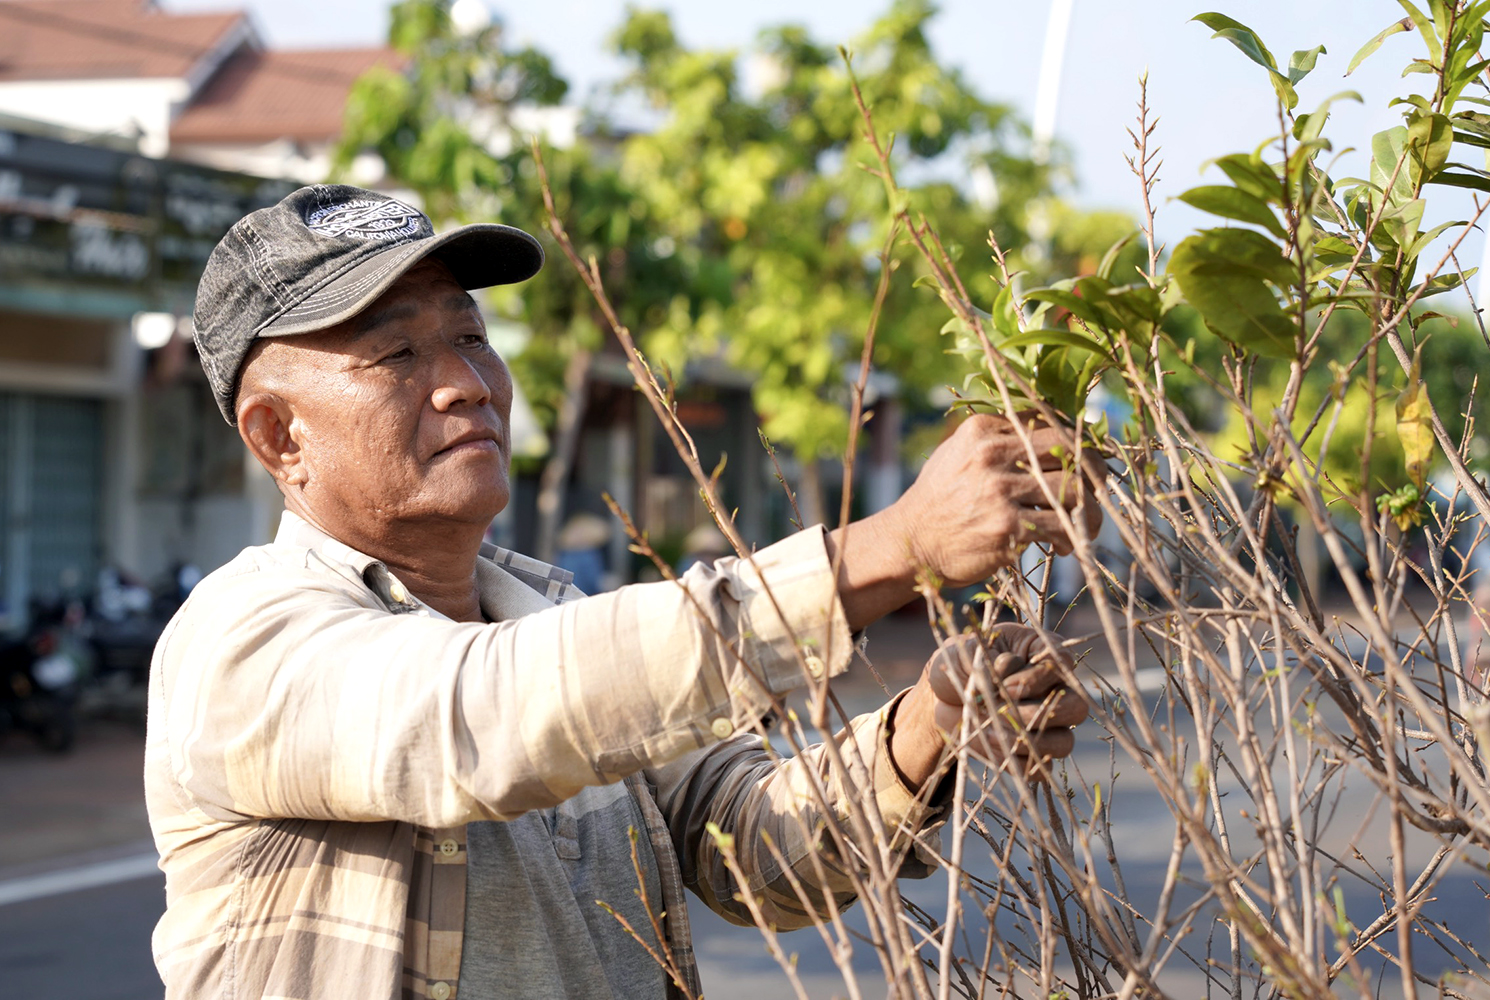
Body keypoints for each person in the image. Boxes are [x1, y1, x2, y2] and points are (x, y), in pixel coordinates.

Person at [145, 184, 1102, 1000]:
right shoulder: (240, 643)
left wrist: (927, 731)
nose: (466, 384)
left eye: (471, 337)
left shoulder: (549, 615)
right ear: (279, 436)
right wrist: (894, 545)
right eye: (398, 356)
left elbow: (755, 856)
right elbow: (484, 712)